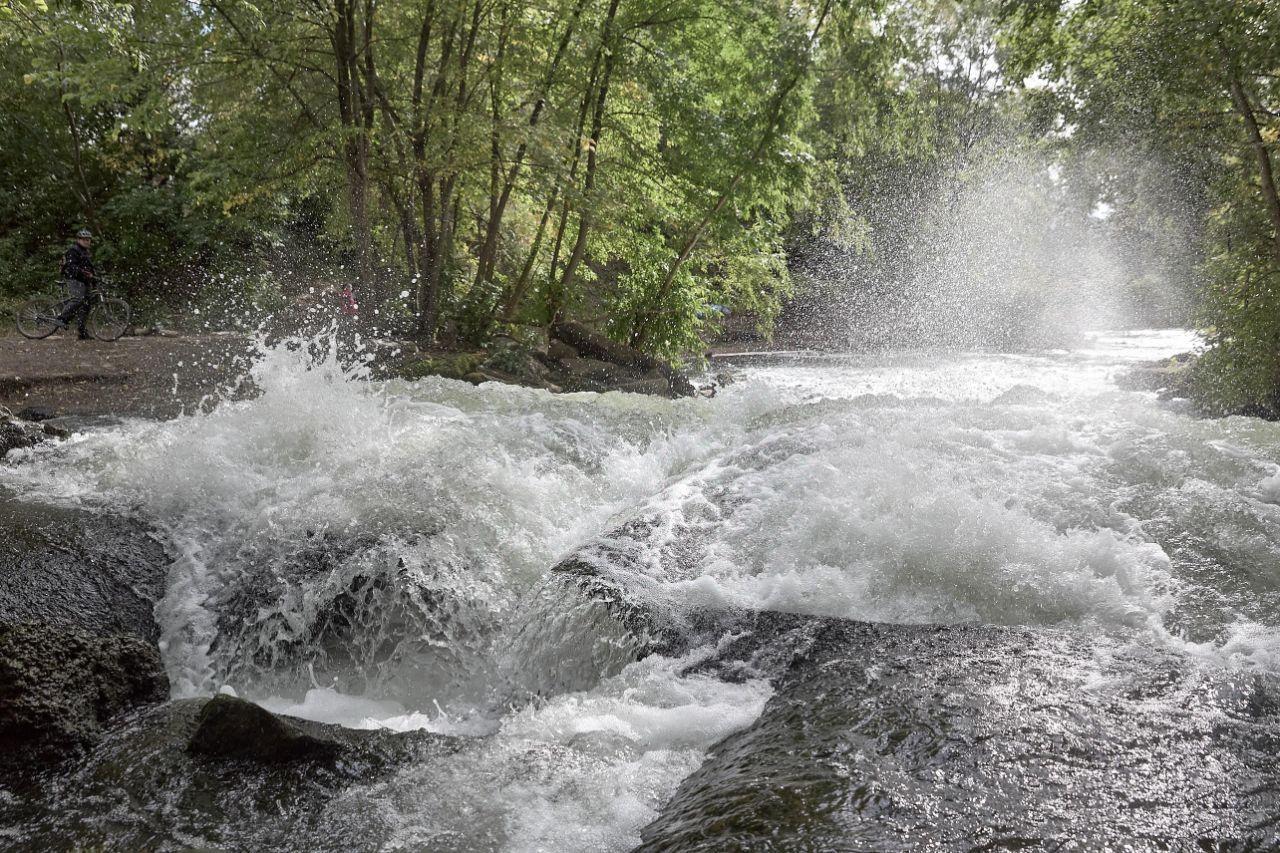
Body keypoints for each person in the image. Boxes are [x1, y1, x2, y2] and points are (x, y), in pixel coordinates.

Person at [55, 228, 96, 340]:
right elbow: (71, 266)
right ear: (78, 240)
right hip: (74, 279)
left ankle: (81, 332)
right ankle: (61, 318)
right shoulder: (73, 251)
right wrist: (83, 272)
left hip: (84, 280)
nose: (87, 241)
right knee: (78, 299)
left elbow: (90, 268)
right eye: (84, 239)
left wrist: (95, 278)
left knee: (86, 306)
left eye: (88, 239)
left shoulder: (86, 253)